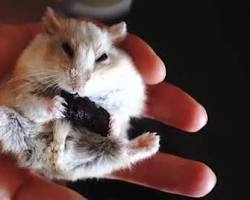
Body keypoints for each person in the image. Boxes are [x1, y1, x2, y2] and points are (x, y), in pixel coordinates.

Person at [0, 22, 216, 200]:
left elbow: (129, 106)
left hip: (84, 149)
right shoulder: (35, 59)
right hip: (32, 141)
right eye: (67, 50)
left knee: (110, 147)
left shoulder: (121, 77)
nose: (79, 83)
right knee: (6, 118)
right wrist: (45, 107)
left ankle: (129, 151)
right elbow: (20, 102)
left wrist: (113, 120)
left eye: (101, 58)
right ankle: (126, 151)